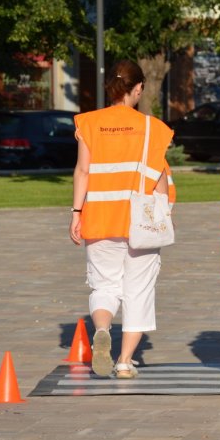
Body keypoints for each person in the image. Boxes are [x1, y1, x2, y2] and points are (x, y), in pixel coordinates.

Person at [69, 59, 176, 378]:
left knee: (104, 286)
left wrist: (76, 213)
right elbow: (159, 180)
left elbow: (83, 171)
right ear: (138, 88)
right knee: (138, 292)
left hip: (99, 219)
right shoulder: (153, 128)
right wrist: (165, 213)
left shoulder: (89, 123)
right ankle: (125, 362)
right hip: (140, 225)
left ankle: (102, 330)